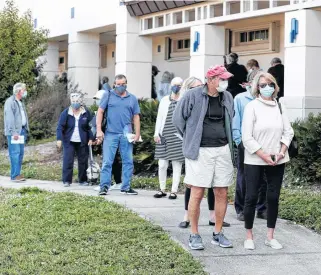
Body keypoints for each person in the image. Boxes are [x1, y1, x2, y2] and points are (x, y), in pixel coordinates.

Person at [173, 65, 235, 250]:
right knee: (197, 192)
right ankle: (194, 234)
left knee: (221, 192)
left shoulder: (228, 97)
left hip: (223, 149)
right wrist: (190, 138)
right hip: (199, 151)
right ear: (210, 80)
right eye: (221, 79)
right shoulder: (192, 95)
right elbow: (178, 120)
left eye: (225, 79)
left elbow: (230, 119)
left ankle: (217, 233)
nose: (225, 82)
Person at [242, 72, 294, 250]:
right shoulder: (252, 107)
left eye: (269, 84)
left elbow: (288, 132)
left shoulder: (280, 106)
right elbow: (246, 137)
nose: (267, 87)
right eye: (262, 85)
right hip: (255, 159)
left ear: (275, 86)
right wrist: (264, 155)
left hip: (278, 158)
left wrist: (281, 152)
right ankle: (249, 235)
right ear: (257, 87)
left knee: (273, 197)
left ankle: (270, 236)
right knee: (251, 197)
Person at [96, 74, 141, 195]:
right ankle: (104, 186)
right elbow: (100, 112)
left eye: (123, 84)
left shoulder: (132, 98)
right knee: (107, 162)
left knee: (128, 161)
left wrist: (137, 133)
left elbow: (136, 116)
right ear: (114, 84)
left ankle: (126, 187)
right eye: (119, 84)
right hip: (111, 133)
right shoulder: (108, 95)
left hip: (127, 134)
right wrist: (99, 130)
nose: (121, 86)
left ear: (127, 83)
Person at [233, 83, 267, 222]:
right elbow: (236, 122)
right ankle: (241, 209)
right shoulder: (241, 99)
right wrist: (238, 141)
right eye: (261, 84)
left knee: (264, 177)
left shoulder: (267, 99)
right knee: (244, 176)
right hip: (245, 143)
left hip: (264, 143)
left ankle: (262, 208)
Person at [153, 77, 184, 200]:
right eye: (174, 85)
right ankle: (162, 189)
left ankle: (174, 191)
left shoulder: (183, 100)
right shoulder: (165, 100)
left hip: (178, 136)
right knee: (162, 164)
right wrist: (156, 133)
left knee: (177, 165)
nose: (176, 87)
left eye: (179, 85)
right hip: (164, 134)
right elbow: (159, 117)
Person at [56, 92, 94, 187]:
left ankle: (82, 180)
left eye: (77, 101)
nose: (75, 103)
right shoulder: (65, 113)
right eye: (73, 101)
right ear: (70, 101)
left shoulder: (86, 112)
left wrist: (91, 138)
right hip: (69, 141)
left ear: (80, 101)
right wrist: (59, 139)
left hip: (82, 140)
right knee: (68, 160)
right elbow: (60, 127)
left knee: (83, 161)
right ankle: (67, 180)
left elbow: (91, 127)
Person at [91, 90, 122, 191]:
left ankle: (107, 184)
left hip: (110, 137)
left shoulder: (106, 112)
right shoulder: (101, 111)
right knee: (112, 160)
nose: (97, 102)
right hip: (106, 137)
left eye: (98, 99)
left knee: (110, 161)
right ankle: (117, 182)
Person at [4, 83, 29, 182]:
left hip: (22, 131)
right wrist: (14, 132)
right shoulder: (10, 102)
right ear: (19, 91)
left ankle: (17, 174)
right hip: (14, 132)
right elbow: (9, 118)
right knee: (15, 153)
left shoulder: (20, 102)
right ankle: (14, 175)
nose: (25, 91)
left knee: (20, 153)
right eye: (24, 90)